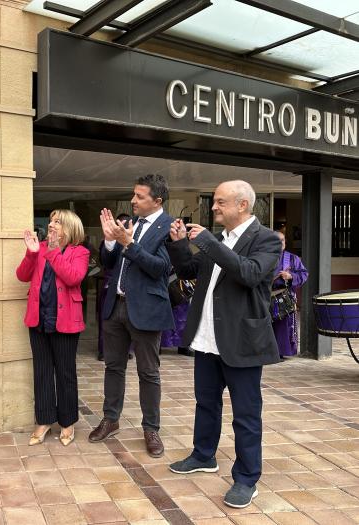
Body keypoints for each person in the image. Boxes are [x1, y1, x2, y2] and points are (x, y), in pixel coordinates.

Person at [166, 180, 281, 509]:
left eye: (219, 202)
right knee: (206, 403)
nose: (213, 207)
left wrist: (206, 242)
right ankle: (203, 455)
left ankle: (246, 478)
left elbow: (249, 273)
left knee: (246, 415)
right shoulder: (218, 240)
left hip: (242, 342)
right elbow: (189, 270)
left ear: (242, 205)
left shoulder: (267, 240)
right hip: (206, 339)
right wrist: (178, 245)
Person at [89, 174, 174, 460]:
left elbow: (160, 268)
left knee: (148, 373)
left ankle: (151, 428)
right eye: (133, 195)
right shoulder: (131, 224)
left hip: (147, 310)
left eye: (139, 196)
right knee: (113, 367)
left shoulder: (169, 227)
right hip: (116, 306)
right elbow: (109, 263)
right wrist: (111, 241)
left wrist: (129, 244)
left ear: (157, 200)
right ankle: (110, 419)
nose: (133, 200)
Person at [16, 210, 89, 447]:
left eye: (57, 222)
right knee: (42, 371)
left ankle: (67, 422)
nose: (51, 225)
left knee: (65, 373)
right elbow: (22, 275)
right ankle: (44, 420)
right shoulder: (41, 248)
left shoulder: (80, 252)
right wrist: (32, 253)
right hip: (39, 319)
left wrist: (54, 252)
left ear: (69, 227)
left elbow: (73, 278)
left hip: (65, 321)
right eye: (50, 221)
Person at [96, 214, 130, 361]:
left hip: (127, 288)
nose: (121, 228)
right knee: (106, 318)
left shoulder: (132, 241)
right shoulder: (109, 241)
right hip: (109, 285)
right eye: (119, 225)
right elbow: (104, 260)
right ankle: (103, 349)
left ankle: (127, 349)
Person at [271, 230, 308, 358]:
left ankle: (281, 352)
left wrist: (290, 276)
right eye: (278, 240)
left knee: (283, 326)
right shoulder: (264, 257)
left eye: (283, 240)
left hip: (284, 297)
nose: (281, 243)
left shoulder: (292, 258)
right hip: (265, 296)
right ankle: (267, 352)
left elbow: (304, 274)